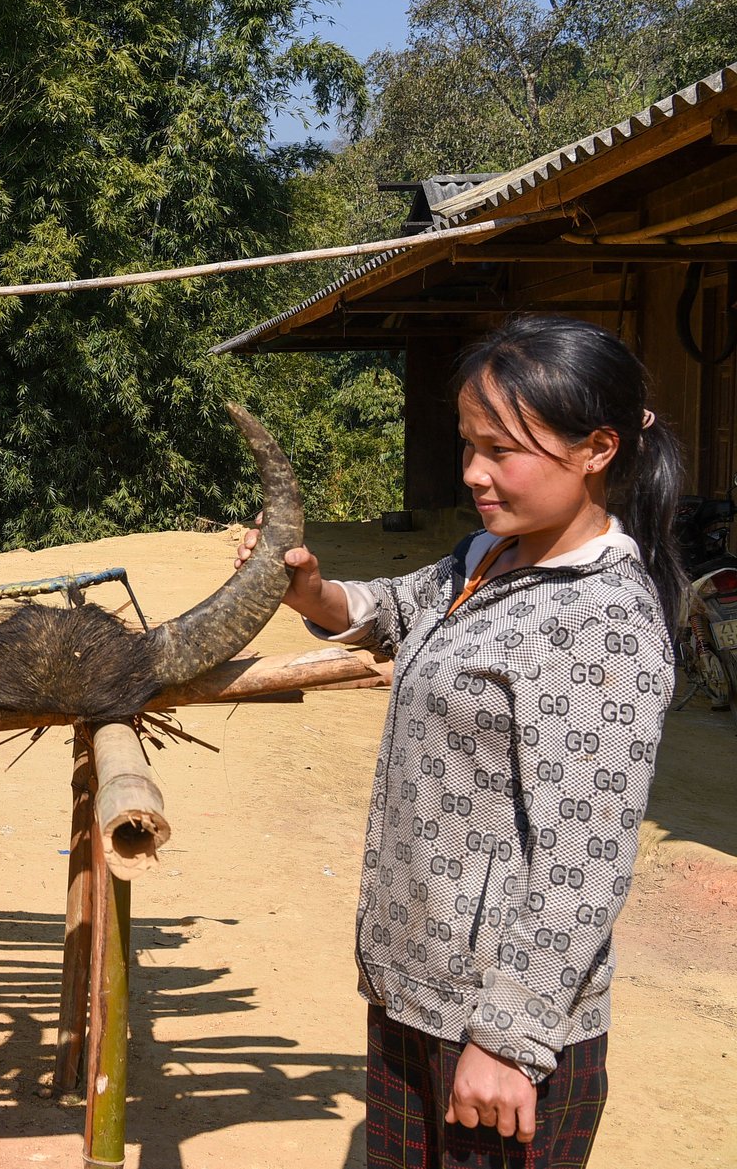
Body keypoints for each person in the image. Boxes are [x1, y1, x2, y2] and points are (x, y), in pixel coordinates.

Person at [238, 316, 680, 1168]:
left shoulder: (603, 623)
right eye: (468, 444)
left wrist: (509, 1038)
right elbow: (402, 609)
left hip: (500, 1024)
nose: (474, 472)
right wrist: (313, 591)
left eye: (502, 450)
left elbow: (583, 858)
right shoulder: (489, 558)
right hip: (417, 988)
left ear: (596, 449)